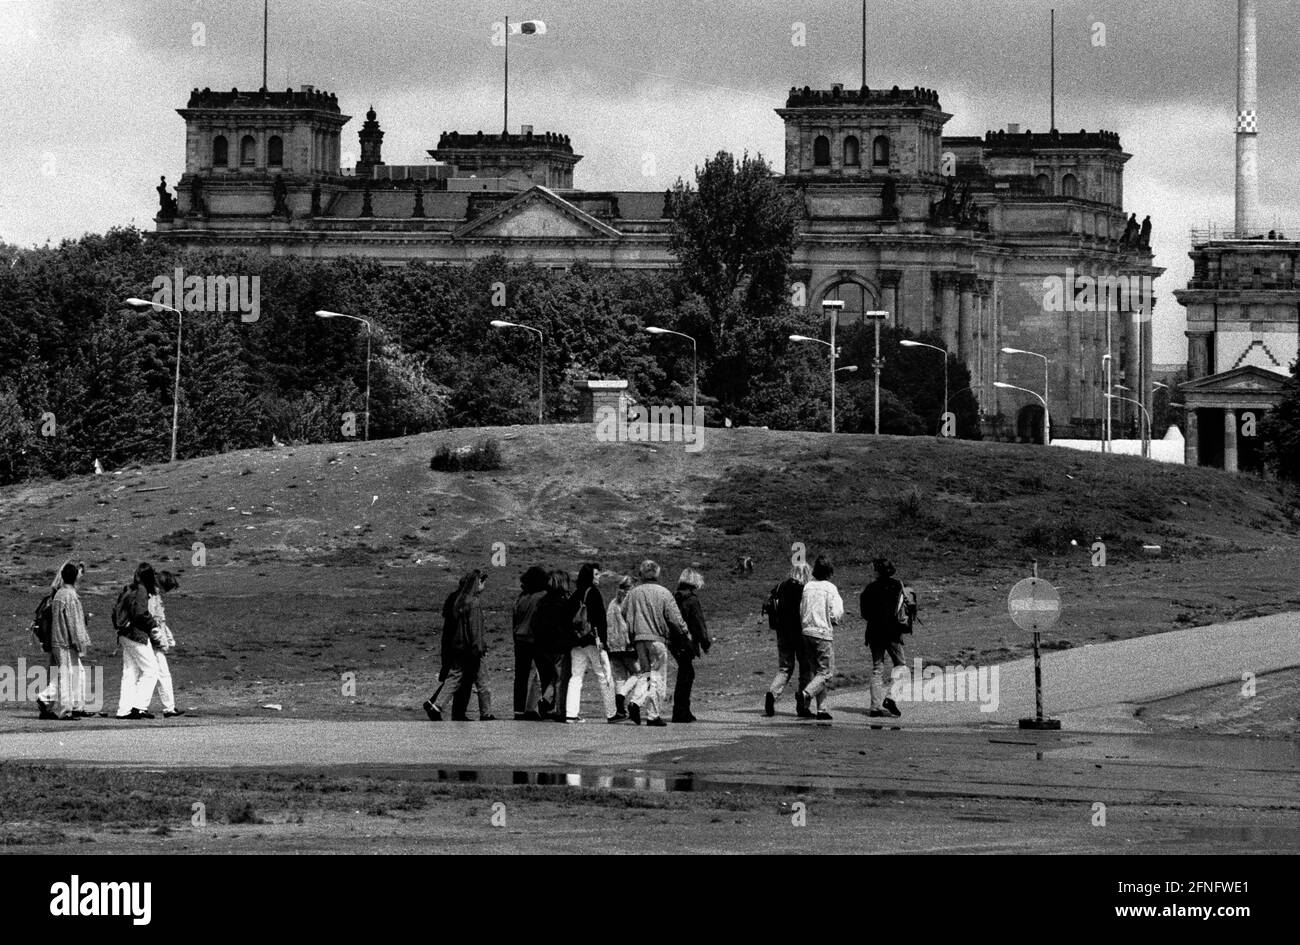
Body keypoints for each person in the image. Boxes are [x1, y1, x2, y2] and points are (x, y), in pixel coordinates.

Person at [623, 559, 689, 727]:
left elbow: (624, 612)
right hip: (657, 639)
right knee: (658, 676)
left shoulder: (633, 593)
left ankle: (636, 701)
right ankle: (653, 714)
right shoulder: (664, 593)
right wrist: (685, 632)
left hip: (639, 639)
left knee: (645, 674)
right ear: (657, 573)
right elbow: (674, 617)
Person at [425, 569, 494, 721]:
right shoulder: (474, 603)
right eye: (482, 582)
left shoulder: (459, 601)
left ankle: (436, 705)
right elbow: (475, 630)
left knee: (454, 678)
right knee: (483, 681)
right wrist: (479, 648)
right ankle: (486, 712)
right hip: (472, 649)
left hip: (458, 647)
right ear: (477, 584)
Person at [35, 560, 91, 720]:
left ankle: (51, 702)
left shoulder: (59, 594)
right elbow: (74, 623)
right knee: (68, 676)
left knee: (65, 674)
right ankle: (66, 710)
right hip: (66, 642)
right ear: (75, 578)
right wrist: (80, 642)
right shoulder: (71, 596)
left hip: (57, 640)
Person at [564, 563, 617, 723]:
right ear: (590, 577)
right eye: (596, 575)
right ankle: (612, 713)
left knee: (576, 677)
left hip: (576, 641)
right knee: (604, 675)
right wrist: (603, 641)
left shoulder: (574, 594)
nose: (598, 577)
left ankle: (571, 713)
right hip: (593, 641)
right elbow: (600, 620)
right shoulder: (593, 593)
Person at [798, 554, 843, 722]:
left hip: (807, 631)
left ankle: (822, 709)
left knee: (816, 671)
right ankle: (806, 693)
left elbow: (801, 609)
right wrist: (833, 620)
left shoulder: (808, 587)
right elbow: (836, 612)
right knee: (826, 673)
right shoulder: (830, 588)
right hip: (822, 633)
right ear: (829, 572)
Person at [764, 562, 814, 718]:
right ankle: (803, 704)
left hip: (782, 632)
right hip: (800, 633)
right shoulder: (805, 589)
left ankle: (772, 693)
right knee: (806, 668)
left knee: (785, 668)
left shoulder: (780, 587)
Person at [860, 557, 908, 718]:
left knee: (877, 669)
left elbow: (864, 613)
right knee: (901, 665)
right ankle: (891, 697)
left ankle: (875, 707)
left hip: (874, 632)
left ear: (877, 571)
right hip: (893, 632)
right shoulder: (898, 586)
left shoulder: (869, 588)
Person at [114, 563, 161, 720]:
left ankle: (124, 709)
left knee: (130, 672)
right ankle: (139, 707)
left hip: (124, 634)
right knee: (151, 670)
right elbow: (141, 614)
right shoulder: (141, 590)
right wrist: (153, 625)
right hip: (136, 635)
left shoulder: (129, 589)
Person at [533, 570, 575, 720]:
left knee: (551, 677)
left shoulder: (542, 601)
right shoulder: (564, 602)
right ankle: (559, 709)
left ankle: (546, 700)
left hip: (542, 645)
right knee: (561, 678)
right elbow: (567, 625)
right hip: (559, 645)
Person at [671, 568, 711, 723]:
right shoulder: (692, 600)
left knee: (685, 673)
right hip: (687, 641)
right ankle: (682, 712)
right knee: (686, 675)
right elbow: (698, 623)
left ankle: (680, 710)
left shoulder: (675, 597)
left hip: (675, 641)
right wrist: (705, 643)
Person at [512, 565, 552, 720]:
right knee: (545, 673)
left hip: (520, 639)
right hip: (535, 639)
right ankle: (541, 705)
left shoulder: (521, 598)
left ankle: (519, 710)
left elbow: (514, 620)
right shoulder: (542, 596)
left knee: (520, 676)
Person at [143, 571, 184, 718]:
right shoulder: (152, 597)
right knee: (159, 674)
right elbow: (153, 620)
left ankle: (165, 707)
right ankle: (162, 707)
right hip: (153, 641)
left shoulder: (153, 596)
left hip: (153, 640)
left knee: (155, 674)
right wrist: (160, 639)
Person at [603, 575, 638, 721]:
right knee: (639, 673)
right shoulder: (630, 602)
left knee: (619, 676)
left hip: (612, 645)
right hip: (627, 644)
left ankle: (620, 710)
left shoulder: (612, 603)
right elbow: (631, 623)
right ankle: (622, 695)